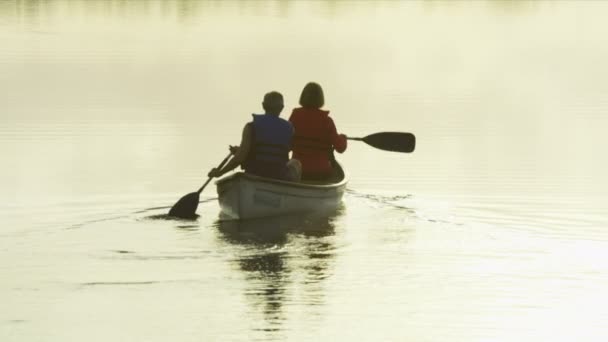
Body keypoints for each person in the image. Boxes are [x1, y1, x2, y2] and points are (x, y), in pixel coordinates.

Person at [208, 91, 302, 181]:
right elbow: (280, 151)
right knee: (295, 163)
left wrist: (220, 172)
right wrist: (241, 151)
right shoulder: (290, 129)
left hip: (255, 172)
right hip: (278, 174)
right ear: (282, 107)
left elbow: (240, 157)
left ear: (263, 105)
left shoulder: (250, 127)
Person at [288, 82, 347, 180]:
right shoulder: (327, 121)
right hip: (321, 172)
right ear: (321, 99)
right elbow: (340, 148)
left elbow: (287, 144)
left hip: (298, 171)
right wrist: (343, 138)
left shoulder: (295, 117)